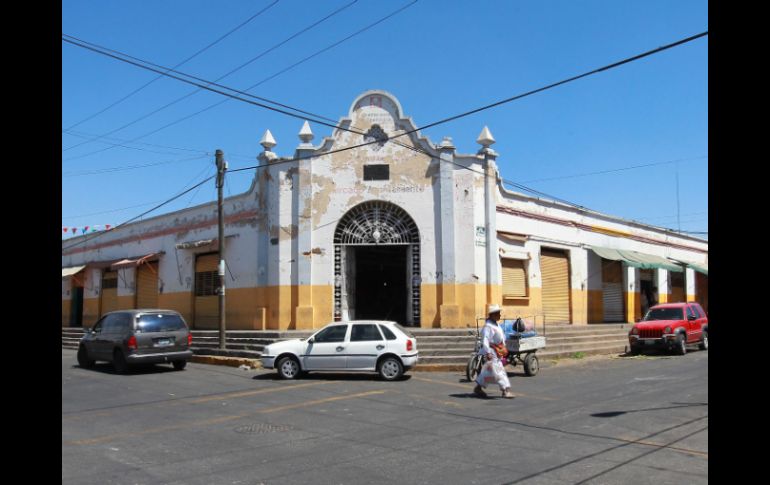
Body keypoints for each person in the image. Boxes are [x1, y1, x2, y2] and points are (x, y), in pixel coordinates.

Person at [473, 304, 514, 399]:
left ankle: (478, 387)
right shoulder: (488, 326)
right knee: (499, 371)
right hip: (492, 351)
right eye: (498, 313)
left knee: (488, 372)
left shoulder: (496, 325)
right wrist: (488, 352)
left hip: (497, 351)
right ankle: (505, 390)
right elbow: (485, 340)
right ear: (492, 315)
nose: (499, 315)